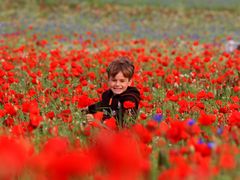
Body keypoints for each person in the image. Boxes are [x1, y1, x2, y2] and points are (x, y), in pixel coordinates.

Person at [83, 56, 141, 128]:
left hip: (123, 132)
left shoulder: (131, 98)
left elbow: (122, 119)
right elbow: (102, 105)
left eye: (122, 81)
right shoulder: (108, 95)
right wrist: (89, 109)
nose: (117, 84)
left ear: (129, 82)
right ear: (108, 80)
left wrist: (97, 121)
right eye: (114, 80)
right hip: (107, 127)